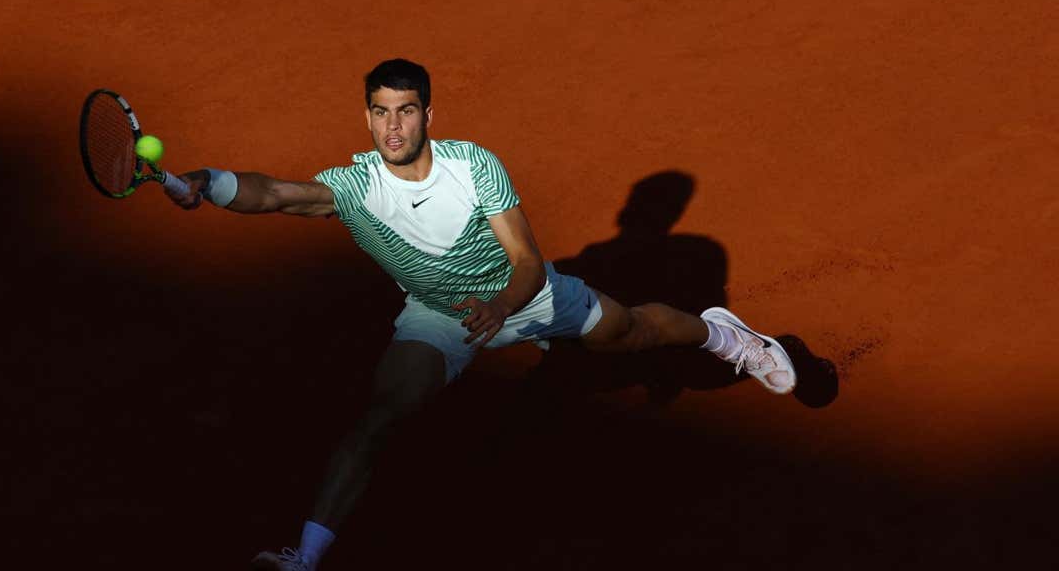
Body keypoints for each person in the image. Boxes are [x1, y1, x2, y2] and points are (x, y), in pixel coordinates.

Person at [166, 58, 796, 571]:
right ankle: (303, 557)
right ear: (367, 116)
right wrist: (207, 181)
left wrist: (500, 308)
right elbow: (274, 193)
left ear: (427, 115)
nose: (393, 127)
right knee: (380, 416)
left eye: (406, 111)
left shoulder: (473, 167)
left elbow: (526, 260)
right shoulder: (355, 188)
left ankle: (727, 336)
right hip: (441, 315)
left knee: (629, 332)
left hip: (524, 297)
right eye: (381, 112)